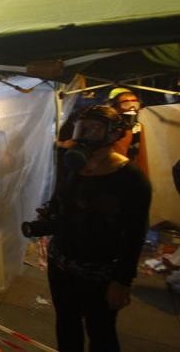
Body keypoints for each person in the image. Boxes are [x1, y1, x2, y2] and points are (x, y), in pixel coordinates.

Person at [45, 105, 151, 352]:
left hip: (101, 271)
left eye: (95, 129)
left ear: (114, 134)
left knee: (101, 330)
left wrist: (122, 281)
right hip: (61, 263)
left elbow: (135, 232)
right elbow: (59, 199)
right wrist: (50, 214)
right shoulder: (72, 166)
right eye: (83, 128)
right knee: (66, 322)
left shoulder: (131, 178)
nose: (86, 135)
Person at [107, 87, 148, 176]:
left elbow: (141, 155)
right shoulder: (107, 127)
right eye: (126, 104)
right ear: (115, 107)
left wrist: (144, 177)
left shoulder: (138, 127)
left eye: (135, 104)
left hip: (130, 174)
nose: (132, 108)